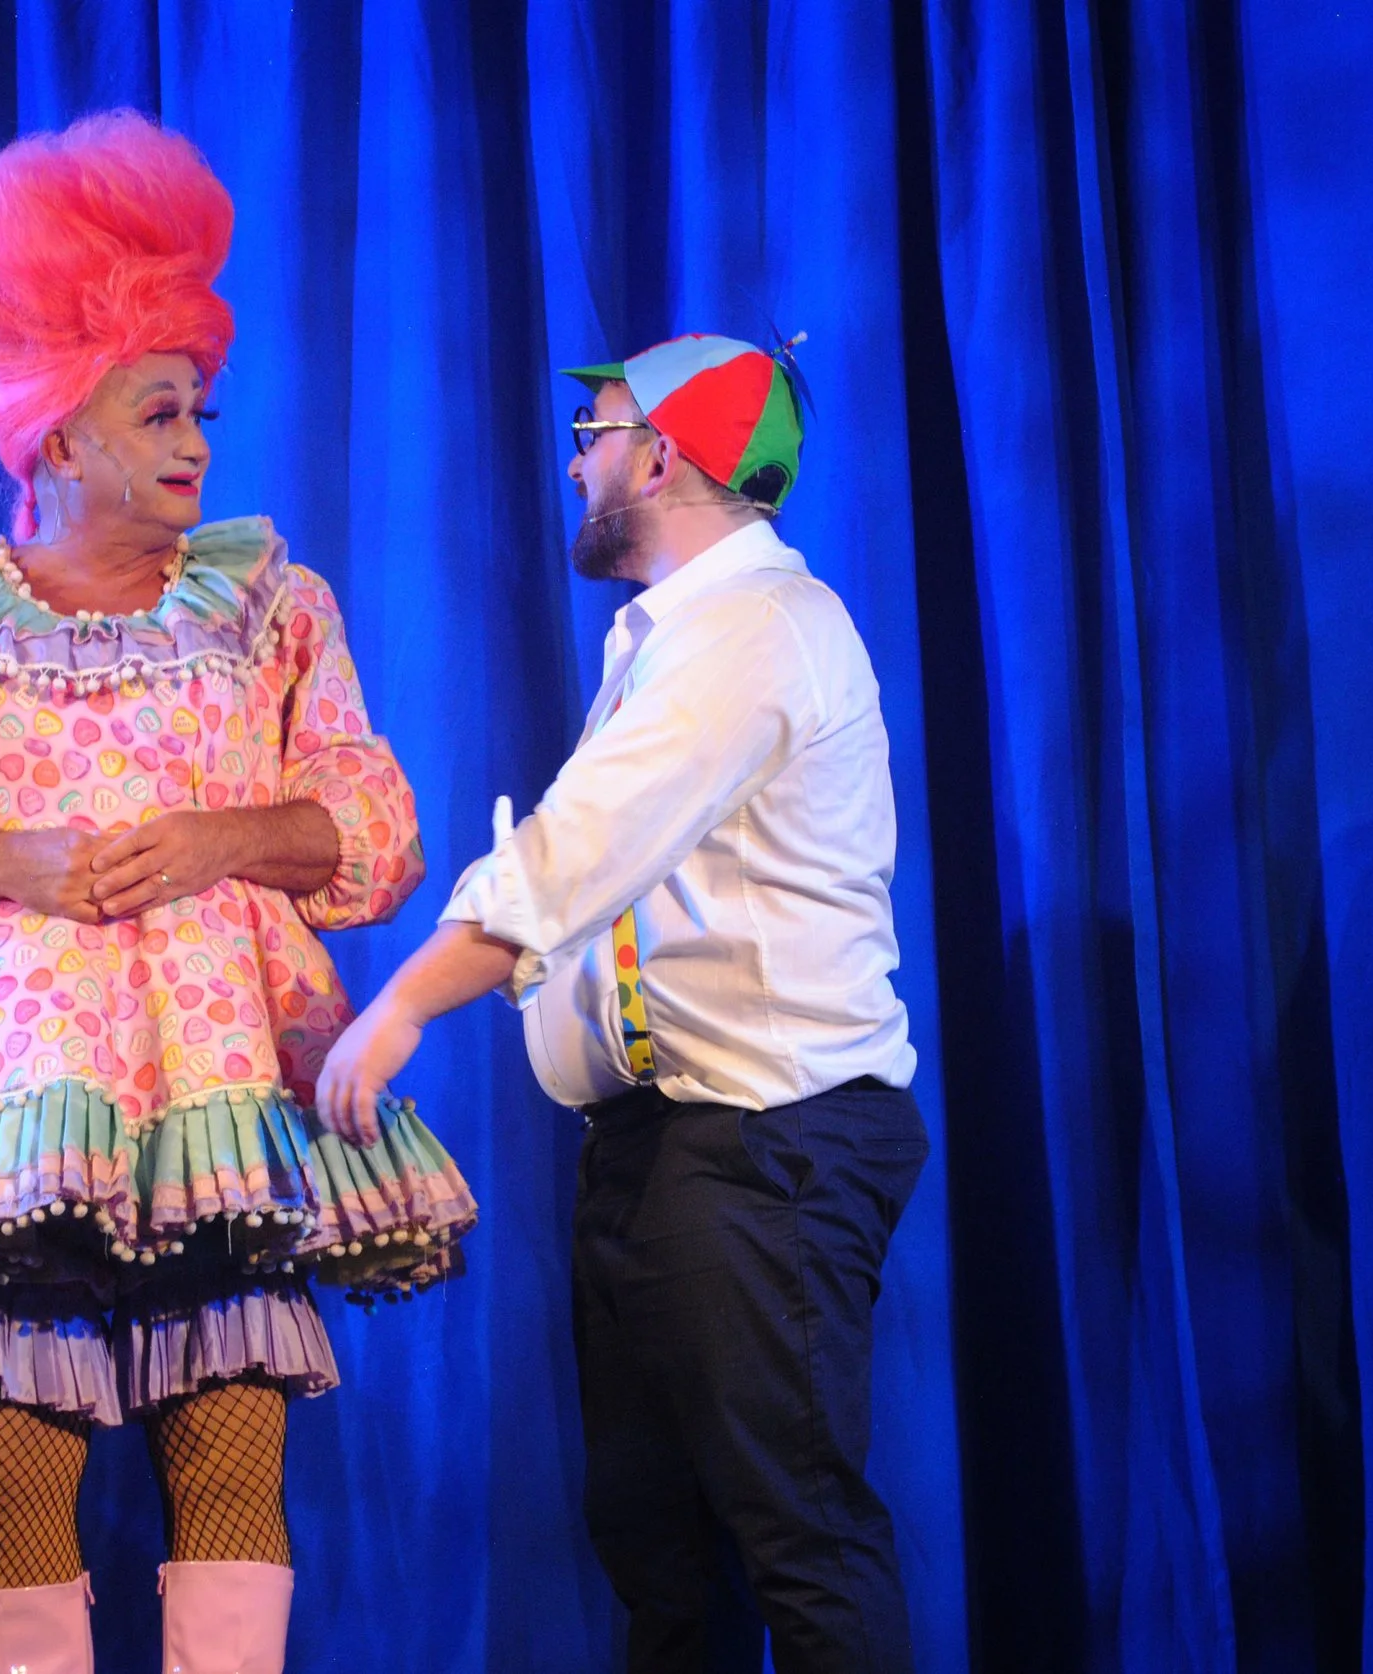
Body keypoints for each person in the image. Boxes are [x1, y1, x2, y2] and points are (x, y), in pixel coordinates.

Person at [0, 111, 474, 1674]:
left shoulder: (271, 606)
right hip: (17, 1098)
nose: (196, 441)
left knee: (229, 1450)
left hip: (220, 1086)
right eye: (159, 410)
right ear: (58, 432)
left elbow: (376, 820)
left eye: (200, 408)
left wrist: (224, 838)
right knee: (15, 1464)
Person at [320, 334, 926, 1674]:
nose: (577, 457)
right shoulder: (672, 638)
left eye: (594, 431)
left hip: (768, 1140)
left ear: (659, 454)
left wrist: (405, 1003)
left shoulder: (756, 629)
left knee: (795, 1531)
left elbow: (577, 850)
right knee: (660, 1548)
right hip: (666, 1147)